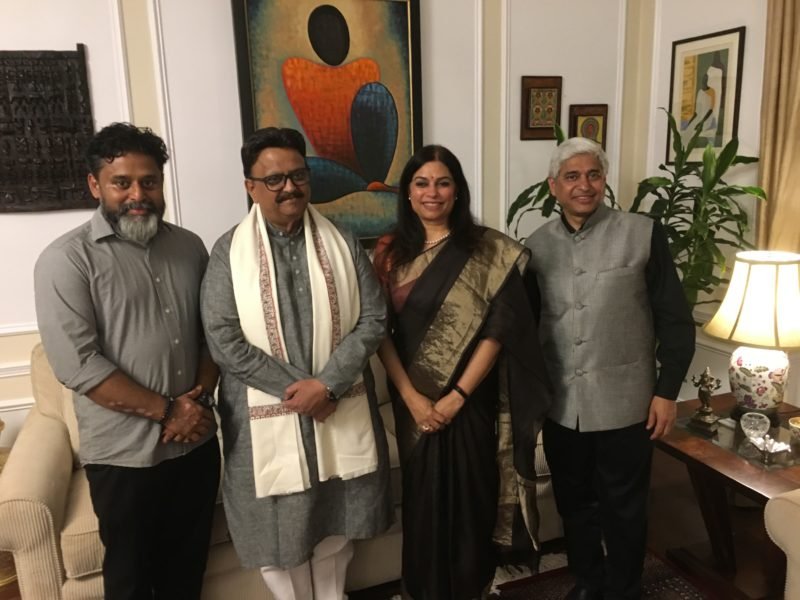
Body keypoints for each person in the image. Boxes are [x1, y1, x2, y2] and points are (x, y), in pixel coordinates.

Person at [200, 127, 392, 600]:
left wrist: (326, 386)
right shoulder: (228, 253)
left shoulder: (342, 241)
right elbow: (224, 340)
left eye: (298, 175)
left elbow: (374, 317)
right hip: (265, 417)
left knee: (335, 524)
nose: (290, 187)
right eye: (274, 179)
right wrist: (302, 392)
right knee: (278, 533)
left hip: (336, 405)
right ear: (250, 187)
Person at [33, 122, 221, 599]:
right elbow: (79, 365)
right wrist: (169, 412)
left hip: (195, 445)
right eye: (122, 182)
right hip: (124, 456)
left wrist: (196, 404)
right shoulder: (66, 260)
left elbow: (211, 336)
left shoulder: (190, 247)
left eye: (149, 181)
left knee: (187, 574)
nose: (138, 195)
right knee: (131, 581)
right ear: (95, 185)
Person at [372, 144, 552, 600]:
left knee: (472, 500)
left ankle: (472, 590)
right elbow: (379, 333)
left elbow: (498, 331)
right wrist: (412, 398)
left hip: (470, 400)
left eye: (443, 182)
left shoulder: (488, 250)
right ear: (408, 192)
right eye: (422, 183)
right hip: (413, 400)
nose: (432, 192)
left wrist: (458, 396)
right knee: (423, 505)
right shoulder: (389, 252)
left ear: (457, 191)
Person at [524, 137, 696, 600]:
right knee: (574, 504)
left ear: (604, 180)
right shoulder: (535, 247)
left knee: (625, 508)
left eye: (593, 175)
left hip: (628, 402)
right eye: (572, 177)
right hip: (562, 406)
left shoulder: (642, 233)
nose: (584, 185)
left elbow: (675, 320)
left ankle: (624, 589)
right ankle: (588, 582)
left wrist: (667, 391)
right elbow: (528, 330)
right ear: (554, 186)